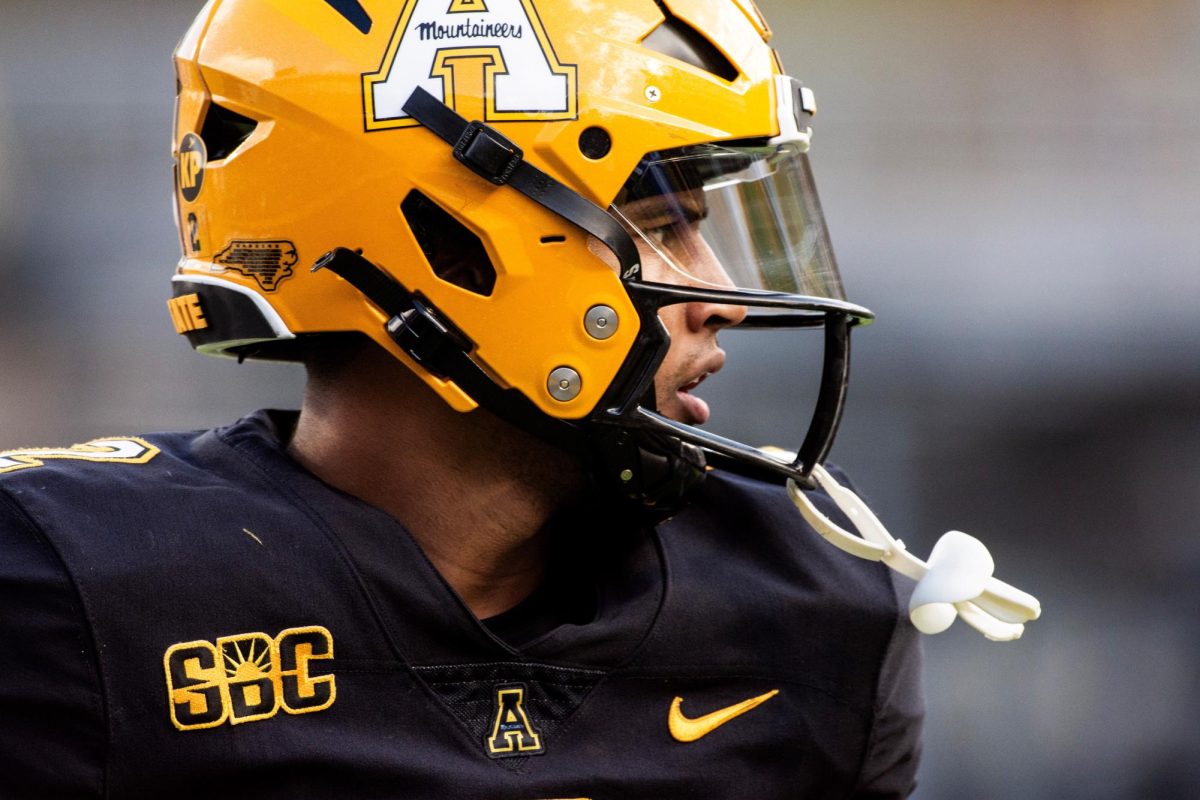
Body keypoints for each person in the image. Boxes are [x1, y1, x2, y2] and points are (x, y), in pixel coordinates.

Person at [0, 1, 925, 797]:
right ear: (449, 251)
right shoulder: (70, 603)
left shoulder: (806, 609)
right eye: (657, 225)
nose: (718, 294)